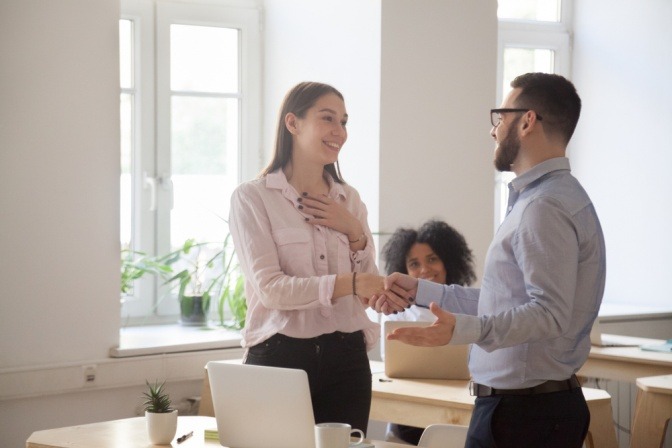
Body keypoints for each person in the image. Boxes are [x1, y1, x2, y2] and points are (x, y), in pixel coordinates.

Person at [372, 73, 607, 448]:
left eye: (500, 117)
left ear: (527, 121)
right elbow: (504, 302)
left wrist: (462, 330)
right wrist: (420, 291)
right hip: (523, 409)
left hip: (525, 415)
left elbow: (549, 313)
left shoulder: (544, 207)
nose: (494, 130)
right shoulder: (545, 199)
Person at [228, 81, 388, 434]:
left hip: (348, 358)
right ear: (293, 123)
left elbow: (369, 292)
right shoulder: (253, 199)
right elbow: (272, 290)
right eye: (328, 118)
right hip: (279, 358)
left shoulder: (350, 201)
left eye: (344, 122)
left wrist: (354, 231)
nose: (339, 132)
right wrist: (351, 282)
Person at [381, 219, 476, 445]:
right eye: (414, 264)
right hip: (407, 412)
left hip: (458, 408)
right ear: (404, 269)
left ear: (448, 262)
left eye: (432, 259)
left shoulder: (470, 305)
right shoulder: (396, 312)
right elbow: (392, 362)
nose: (424, 270)